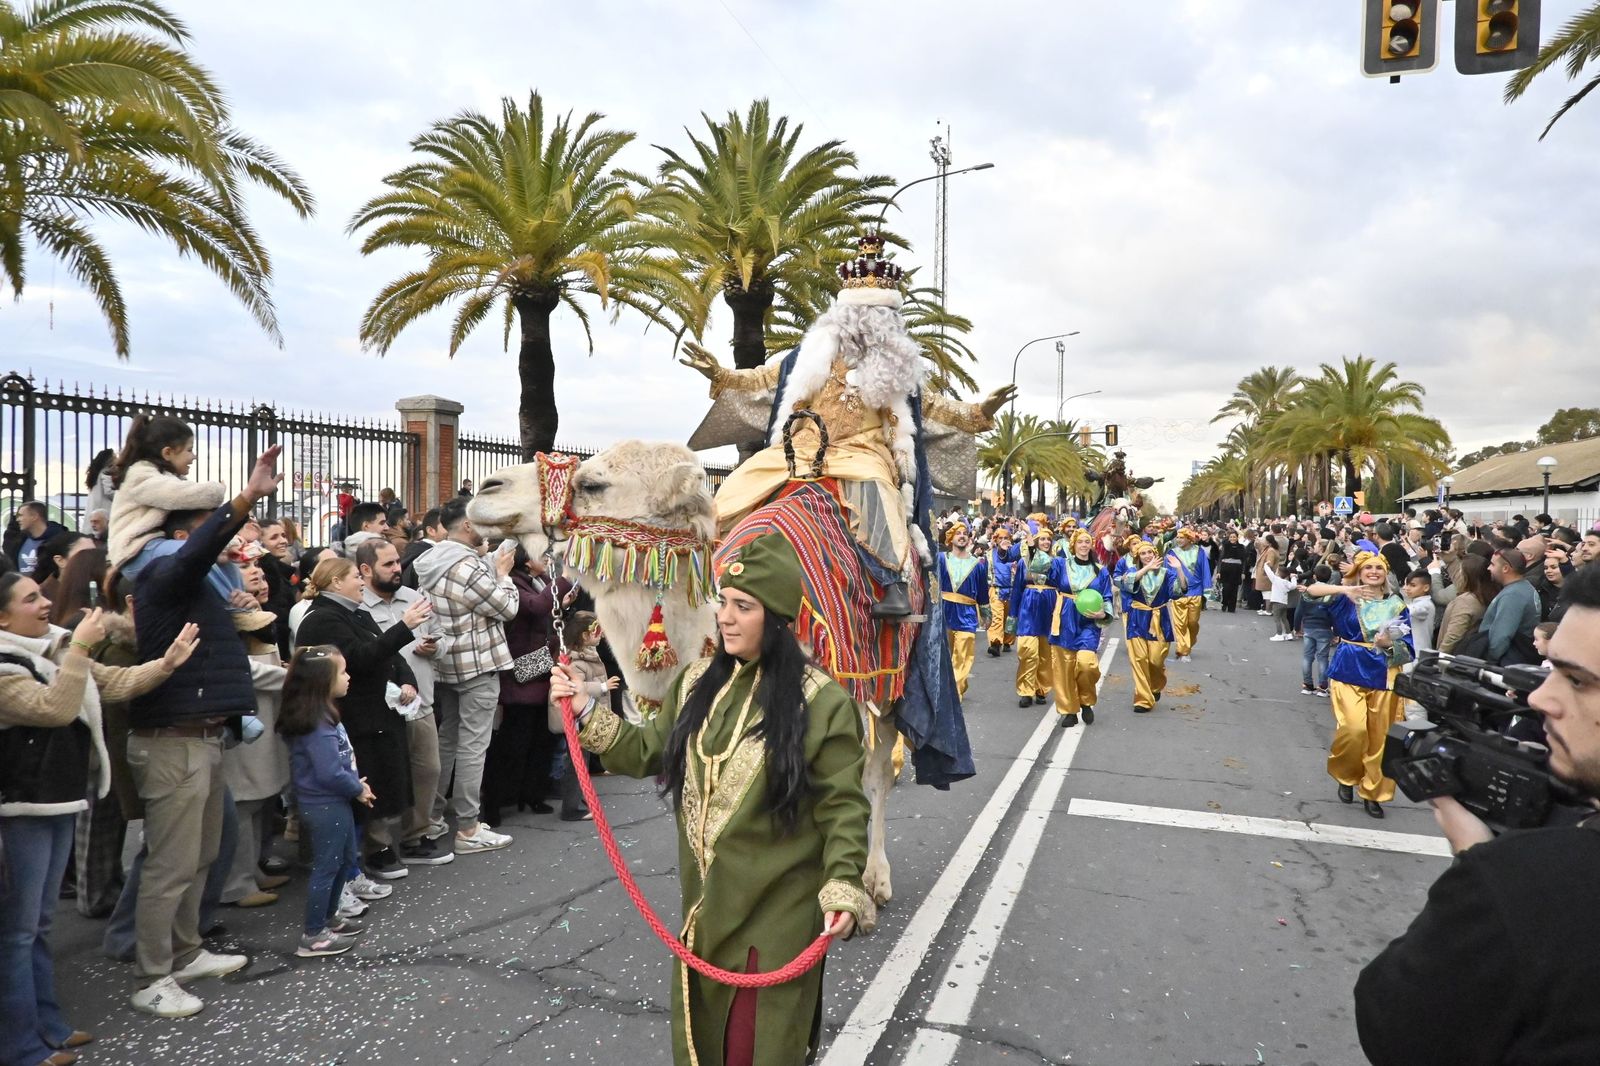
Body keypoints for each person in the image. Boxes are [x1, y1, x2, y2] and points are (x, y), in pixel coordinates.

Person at [547, 533, 872, 1066]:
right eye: (722, 601)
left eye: (743, 606)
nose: (725, 616)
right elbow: (649, 749)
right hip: (705, 915)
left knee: (754, 1050)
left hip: (777, 917)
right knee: (704, 1048)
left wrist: (842, 884)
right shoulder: (697, 682)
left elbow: (843, 807)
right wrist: (585, 708)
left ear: (777, 618)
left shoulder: (822, 702)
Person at [1354, 564, 1600, 1064]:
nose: (1540, 697)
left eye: (1577, 681)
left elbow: (1397, 1028)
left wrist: (1485, 867)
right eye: (1551, 670)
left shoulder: (1527, 884)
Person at [0, 574, 199, 1059]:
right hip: (20, 809)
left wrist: (167, 664)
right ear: (3, 617)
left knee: (40, 925)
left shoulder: (56, 646)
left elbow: (112, 684)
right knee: (18, 932)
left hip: (61, 800)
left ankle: (49, 1025)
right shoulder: (9, 665)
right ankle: (20, 1045)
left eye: (42, 595)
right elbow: (56, 707)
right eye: (31, 599)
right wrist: (80, 649)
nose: (46, 603)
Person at [124, 445, 281, 1018]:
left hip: (205, 737)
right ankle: (152, 974)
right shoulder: (166, 574)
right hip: (173, 742)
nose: (240, 547)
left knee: (200, 856)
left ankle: (186, 952)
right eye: (222, 539)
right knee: (169, 865)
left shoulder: (202, 587)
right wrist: (244, 498)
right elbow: (200, 552)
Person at [294, 555, 427, 881]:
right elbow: (361, 658)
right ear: (336, 582)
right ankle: (347, 871)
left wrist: (406, 678)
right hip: (354, 717)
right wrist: (404, 626)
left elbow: (387, 654)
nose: (362, 582)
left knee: (377, 789)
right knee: (355, 795)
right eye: (356, 576)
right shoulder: (324, 619)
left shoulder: (355, 614)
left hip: (375, 715)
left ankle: (356, 868)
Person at [413, 497, 518, 855]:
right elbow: (506, 607)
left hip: (446, 664)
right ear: (468, 526)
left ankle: (432, 817)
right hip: (476, 664)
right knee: (474, 747)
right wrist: (503, 576)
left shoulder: (432, 560)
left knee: (447, 742)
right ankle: (469, 828)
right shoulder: (467, 567)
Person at [356, 539, 451, 867]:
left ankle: (417, 834)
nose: (397, 569)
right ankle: (378, 845)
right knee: (382, 776)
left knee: (427, 770)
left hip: (420, 701)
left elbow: (442, 638)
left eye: (398, 562)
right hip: (382, 709)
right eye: (388, 564)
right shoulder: (358, 607)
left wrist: (434, 647)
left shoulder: (414, 598)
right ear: (366, 570)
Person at [277, 646, 372, 959]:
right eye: (341, 672)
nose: (348, 677)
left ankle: (329, 918)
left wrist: (352, 785)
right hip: (325, 803)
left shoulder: (322, 715)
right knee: (327, 867)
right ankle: (313, 933)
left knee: (343, 861)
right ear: (322, 681)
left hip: (335, 800)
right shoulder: (317, 724)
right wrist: (355, 788)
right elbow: (329, 771)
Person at [1303, 552, 1415, 819]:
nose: (1374, 572)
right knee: (1353, 729)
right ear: (1360, 571)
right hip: (1348, 667)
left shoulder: (1397, 605)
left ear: (1385, 574)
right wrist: (1345, 587)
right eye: (1368, 568)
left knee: (1380, 739)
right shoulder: (1345, 598)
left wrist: (1389, 645)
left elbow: (1408, 648)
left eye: (1379, 567)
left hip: (1384, 674)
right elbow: (1310, 591)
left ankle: (1373, 792)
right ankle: (1346, 774)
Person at [483, 546, 575, 825]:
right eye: (540, 556)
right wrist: (563, 579)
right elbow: (536, 607)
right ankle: (495, 802)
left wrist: (563, 601)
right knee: (513, 743)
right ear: (525, 561)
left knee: (541, 739)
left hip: (541, 668)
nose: (546, 560)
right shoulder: (514, 584)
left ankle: (532, 792)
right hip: (520, 671)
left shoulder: (539, 582)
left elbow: (549, 608)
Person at [105, 414, 228, 580]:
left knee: (226, 559)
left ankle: (239, 599)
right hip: (136, 552)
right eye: (189, 450)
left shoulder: (162, 477)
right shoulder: (140, 475)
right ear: (168, 453)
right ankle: (229, 604)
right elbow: (183, 494)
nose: (194, 456)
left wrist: (229, 544)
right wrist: (217, 490)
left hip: (153, 548)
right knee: (200, 553)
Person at [1048, 529, 1113, 728]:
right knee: (1064, 668)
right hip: (1064, 617)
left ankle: (1086, 701)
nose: (1084, 545)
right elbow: (1039, 568)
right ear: (1073, 545)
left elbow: (1107, 596)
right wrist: (1033, 544)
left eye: (1087, 542)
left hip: (1088, 622)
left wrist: (1104, 613)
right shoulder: (1061, 565)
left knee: (1086, 664)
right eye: (1080, 542)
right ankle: (1069, 710)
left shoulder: (1100, 571)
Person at [1119, 540, 1183, 713]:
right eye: (1143, 553)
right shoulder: (1133, 571)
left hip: (1159, 620)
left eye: (1149, 552)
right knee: (1139, 660)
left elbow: (1178, 590)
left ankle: (1155, 686)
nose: (1147, 556)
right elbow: (1125, 584)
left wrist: (1178, 569)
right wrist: (1146, 568)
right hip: (1137, 619)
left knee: (1155, 660)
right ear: (1138, 557)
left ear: (1155, 554)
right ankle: (1142, 699)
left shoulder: (1166, 573)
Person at [1007, 530, 1058, 709]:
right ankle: (1026, 690)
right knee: (1027, 650)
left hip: (1049, 607)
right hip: (1028, 607)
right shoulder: (1023, 562)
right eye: (1042, 539)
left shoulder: (1056, 562)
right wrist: (1012, 615)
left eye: (1048, 539)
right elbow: (1017, 589)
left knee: (1045, 652)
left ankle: (1041, 689)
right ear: (1035, 542)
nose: (1045, 542)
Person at [936, 525, 988, 698]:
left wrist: (986, 614)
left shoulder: (978, 564)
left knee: (963, 655)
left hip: (967, 613)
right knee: (946, 655)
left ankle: (954, 693)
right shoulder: (941, 559)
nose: (962, 536)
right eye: (958, 533)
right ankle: (956, 684)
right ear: (950, 538)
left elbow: (982, 592)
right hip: (945, 611)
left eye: (965, 534)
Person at [1472, 548, 1540, 665]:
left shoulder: (1513, 595)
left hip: (1506, 660)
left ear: (1505, 568)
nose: (1489, 568)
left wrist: (1490, 661)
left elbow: (1502, 636)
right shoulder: (1523, 587)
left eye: (1492, 564)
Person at [1166, 527, 1211, 661]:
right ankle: (1183, 651)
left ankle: (1188, 643)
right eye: (1177, 537)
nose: (1178, 540)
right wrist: (1169, 591)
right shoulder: (1172, 553)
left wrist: (1206, 591)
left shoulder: (1199, 552)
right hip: (1179, 594)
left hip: (1196, 592)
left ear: (1189, 539)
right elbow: (1168, 573)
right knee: (1180, 624)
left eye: (1182, 537)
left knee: (1192, 623)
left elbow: (1205, 571)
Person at [1437, 554, 1496, 655]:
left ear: (1466, 576)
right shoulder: (1489, 595)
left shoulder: (1465, 601)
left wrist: (1438, 657)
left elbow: (1453, 636)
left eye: (1459, 572)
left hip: (1453, 657)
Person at [1295, 565, 1336, 696]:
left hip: (1309, 626)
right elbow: (1334, 614)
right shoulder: (1331, 595)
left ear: (1314, 576)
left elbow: (1299, 612)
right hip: (1324, 627)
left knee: (1307, 657)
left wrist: (1297, 628)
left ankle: (1307, 685)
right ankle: (1322, 687)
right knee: (1323, 658)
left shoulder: (1308, 592)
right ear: (1330, 578)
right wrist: (1337, 632)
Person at [7, 502, 68, 577]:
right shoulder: (20, 540)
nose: (17, 519)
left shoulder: (60, 540)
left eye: (21, 516)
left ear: (34, 516)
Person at [984, 527, 1019, 657]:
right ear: (996, 540)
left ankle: (1007, 641)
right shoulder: (989, 554)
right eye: (1001, 538)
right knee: (997, 617)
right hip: (996, 589)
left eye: (1006, 538)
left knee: (1009, 617)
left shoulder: (1015, 554)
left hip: (1012, 590)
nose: (1004, 540)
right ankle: (995, 643)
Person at [1402, 569, 1436, 656]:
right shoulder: (1415, 603)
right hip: (1412, 651)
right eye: (1406, 584)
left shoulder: (1426, 605)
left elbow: (1406, 610)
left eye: (1412, 585)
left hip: (1419, 653)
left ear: (1426, 588)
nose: (1406, 588)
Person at [1215, 529, 1245, 613]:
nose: (1232, 538)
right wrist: (1218, 571)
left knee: (1234, 589)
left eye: (1234, 537)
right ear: (1229, 538)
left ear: (1237, 538)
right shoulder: (1225, 546)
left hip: (1236, 570)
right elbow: (1220, 559)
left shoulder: (1241, 547)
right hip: (1226, 570)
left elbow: (1244, 561)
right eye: (1231, 537)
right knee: (1226, 588)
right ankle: (1224, 603)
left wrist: (1243, 572)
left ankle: (1232, 607)